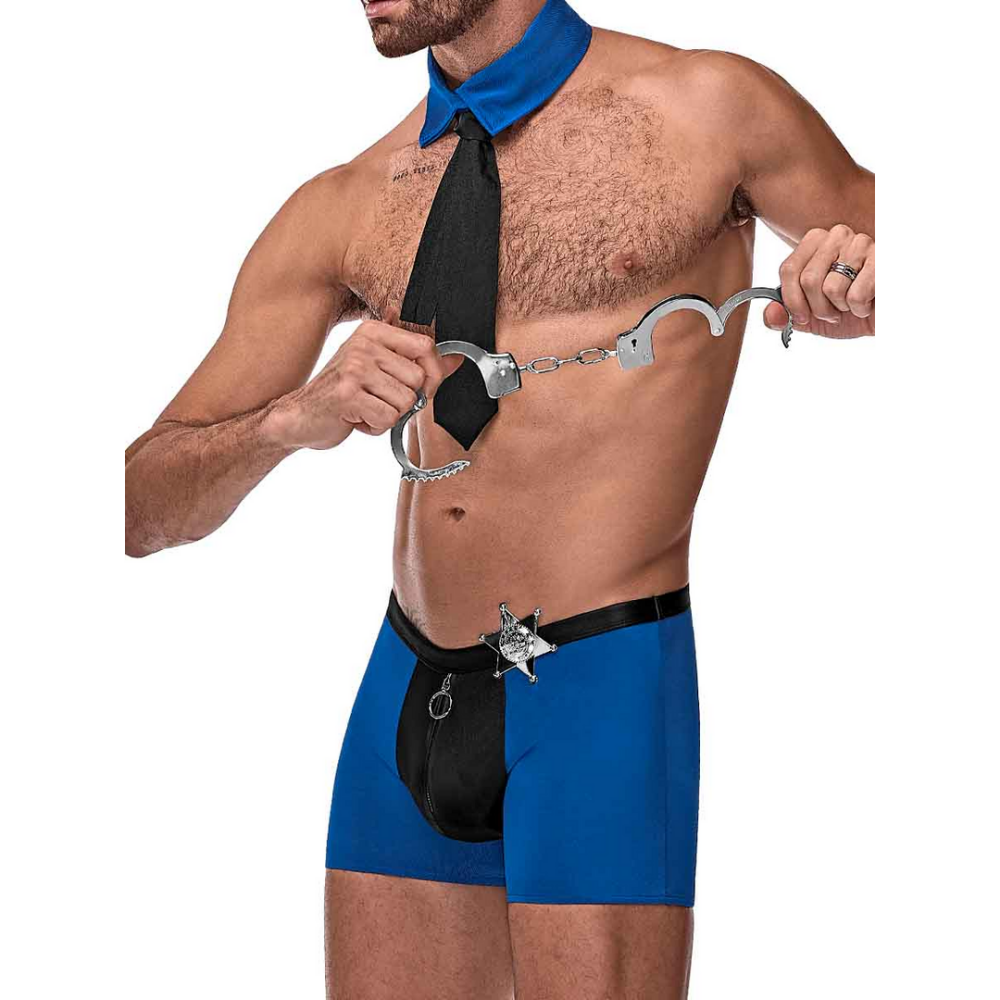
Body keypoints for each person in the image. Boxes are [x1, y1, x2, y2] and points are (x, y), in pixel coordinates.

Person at [123, 1, 875, 996]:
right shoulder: (347, 199)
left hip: (598, 681)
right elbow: (142, 507)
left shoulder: (710, 106)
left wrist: (853, 291)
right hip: (408, 683)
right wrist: (289, 420)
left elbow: (866, 258)